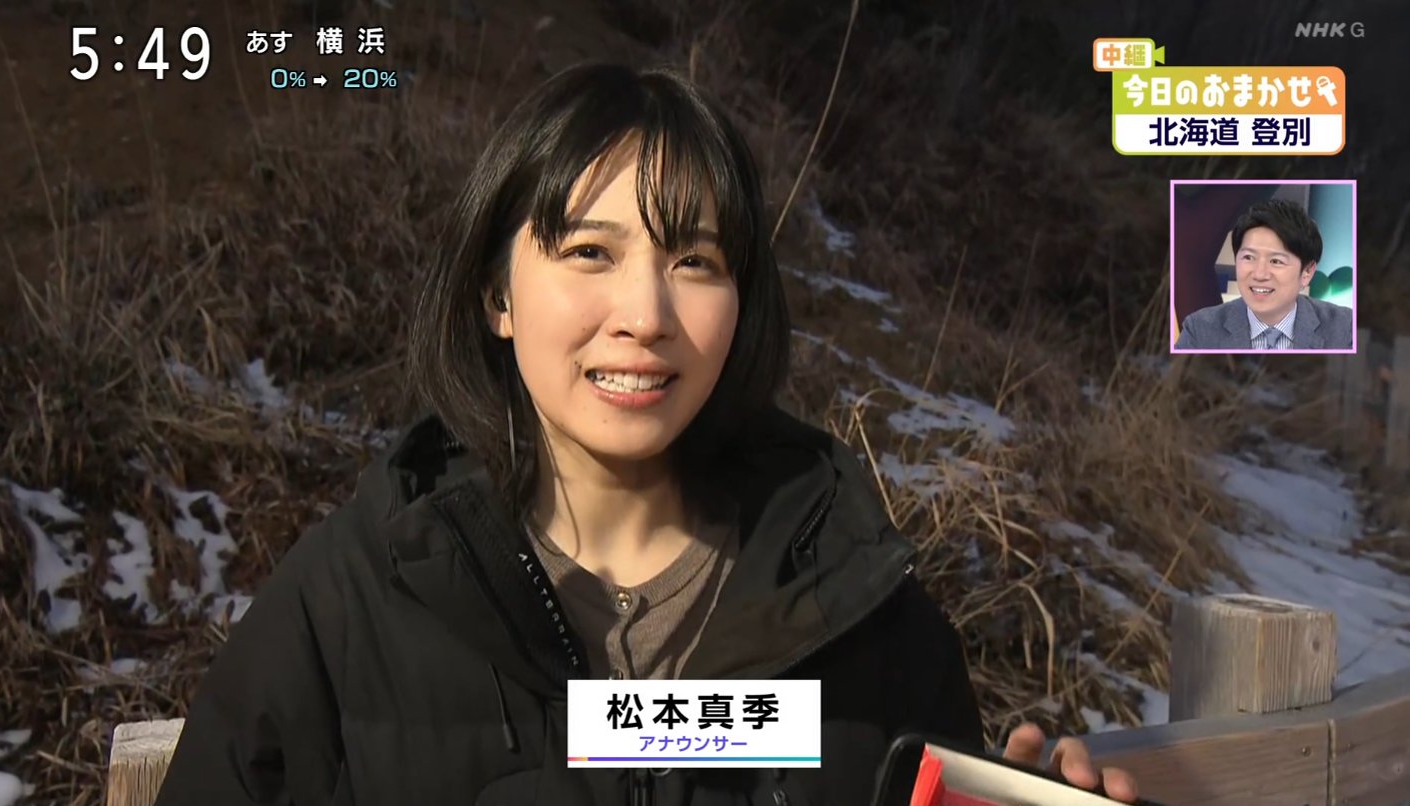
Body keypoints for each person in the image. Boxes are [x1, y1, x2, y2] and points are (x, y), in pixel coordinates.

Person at [152, 63, 1139, 805]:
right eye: (590, 251)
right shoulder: (350, 604)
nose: (645, 315)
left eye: (695, 261)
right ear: (497, 293)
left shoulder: (859, 614)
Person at [1174, 198, 1353, 351]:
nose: (1259, 274)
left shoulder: (1346, 330)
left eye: (1276, 261)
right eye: (1249, 258)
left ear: (1307, 272)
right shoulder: (1199, 330)